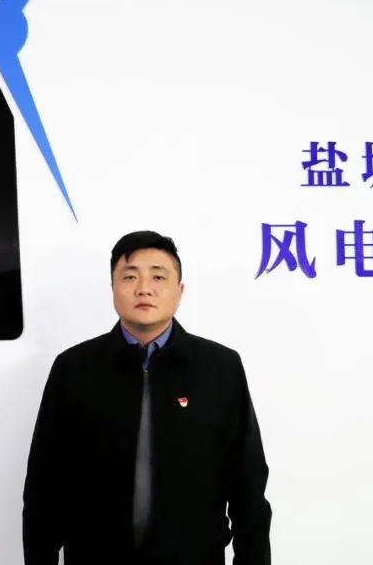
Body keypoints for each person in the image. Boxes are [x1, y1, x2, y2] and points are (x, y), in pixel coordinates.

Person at [23, 231, 271, 565]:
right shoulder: (74, 368)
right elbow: (45, 486)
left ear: (179, 291)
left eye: (158, 276)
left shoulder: (220, 368)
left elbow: (248, 487)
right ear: (113, 289)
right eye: (129, 277)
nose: (144, 288)